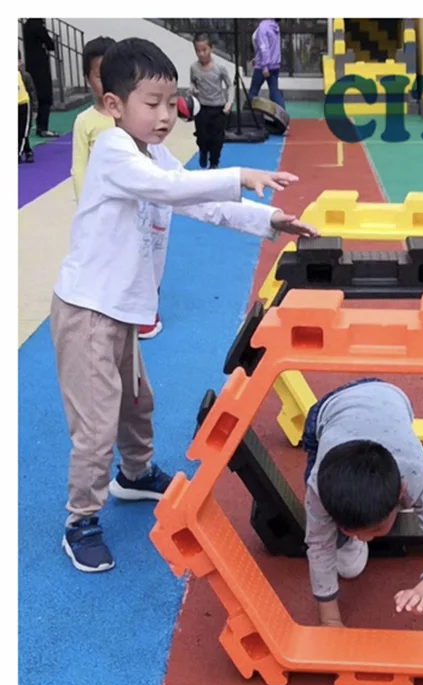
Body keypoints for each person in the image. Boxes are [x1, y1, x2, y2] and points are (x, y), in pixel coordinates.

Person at [51, 37, 319, 574]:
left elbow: (200, 201)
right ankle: (81, 520)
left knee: (137, 402)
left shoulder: (153, 154)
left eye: (169, 104)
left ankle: (134, 474)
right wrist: (240, 174)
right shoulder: (113, 150)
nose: (164, 116)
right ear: (113, 105)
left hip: (122, 311)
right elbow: (169, 190)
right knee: (97, 423)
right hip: (87, 312)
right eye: (150, 104)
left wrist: (268, 219)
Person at [303, 379, 423, 627]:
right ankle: (346, 539)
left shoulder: (418, 478)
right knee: (337, 551)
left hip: (392, 398)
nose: (366, 538)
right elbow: (318, 546)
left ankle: (352, 532)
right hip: (330, 410)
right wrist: (330, 619)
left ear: (401, 493)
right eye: (349, 528)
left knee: (347, 564)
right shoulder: (318, 488)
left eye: (376, 528)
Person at [71, 36, 116, 201]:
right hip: (101, 199)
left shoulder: (132, 113)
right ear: (88, 79)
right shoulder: (84, 121)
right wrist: (84, 203)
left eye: (112, 74)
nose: (107, 81)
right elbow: (79, 169)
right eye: (100, 77)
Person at [190, 32, 233, 169]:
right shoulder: (194, 68)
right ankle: (203, 151)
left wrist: (229, 102)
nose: (201, 54)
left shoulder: (220, 68)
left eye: (204, 50)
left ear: (212, 48)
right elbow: (192, 82)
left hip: (218, 108)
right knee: (202, 137)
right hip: (201, 108)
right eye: (198, 51)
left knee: (217, 139)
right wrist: (193, 89)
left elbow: (230, 85)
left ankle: (214, 163)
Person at [22, 18, 59, 138]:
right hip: (40, 67)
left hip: (31, 67)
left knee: (33, 96)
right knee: (45, 97)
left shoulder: (27, 25)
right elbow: (50, 45)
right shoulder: (38, 26)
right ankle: (42, 128)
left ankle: (32, 125)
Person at [249, 19, 285, 108]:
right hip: (275, 65)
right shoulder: (275, 26)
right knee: (274, 92)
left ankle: (248, 112)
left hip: (262, 66)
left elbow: (264, 47)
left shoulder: (263, 27)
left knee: (253, 92)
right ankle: (282, 113)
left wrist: (265, 66)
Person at [18, 50, 36, 163]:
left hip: (24, 105)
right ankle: (26, 149)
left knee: (23, 130)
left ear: (19, 62)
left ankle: (20, 152)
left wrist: (35, 109)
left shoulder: (24, 76)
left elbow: (32, 92)